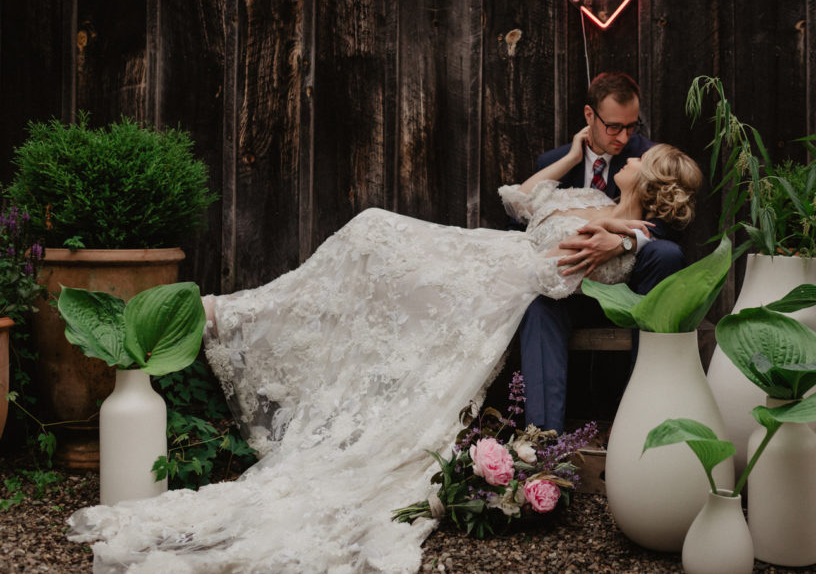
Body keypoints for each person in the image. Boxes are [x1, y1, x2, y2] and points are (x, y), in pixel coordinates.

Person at [65, 139, 702, 573]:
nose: (632, 153)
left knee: (375, 237)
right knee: (367, 241)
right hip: (488, 256)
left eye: (643, 158)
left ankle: (238, 313)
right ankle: (246, 311)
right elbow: (520, 195)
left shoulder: (626, 233)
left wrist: (623, 230)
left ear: (649, 183)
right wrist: (568, 158)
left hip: (499, 273)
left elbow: (580, 267)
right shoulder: (587, 200)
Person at [518, 71, 691, 433]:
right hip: (567, 286)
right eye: (613, 127)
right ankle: (541, 443)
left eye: (632, 126)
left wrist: (624, 241)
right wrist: (570, 158)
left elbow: (676, 225)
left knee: (666, 254)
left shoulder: (648, 157)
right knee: (537, 306)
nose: (624, 137)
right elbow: (525, 216)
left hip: (629, 290)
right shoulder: (554, 161)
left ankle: (645, 413)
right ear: (589, 116)